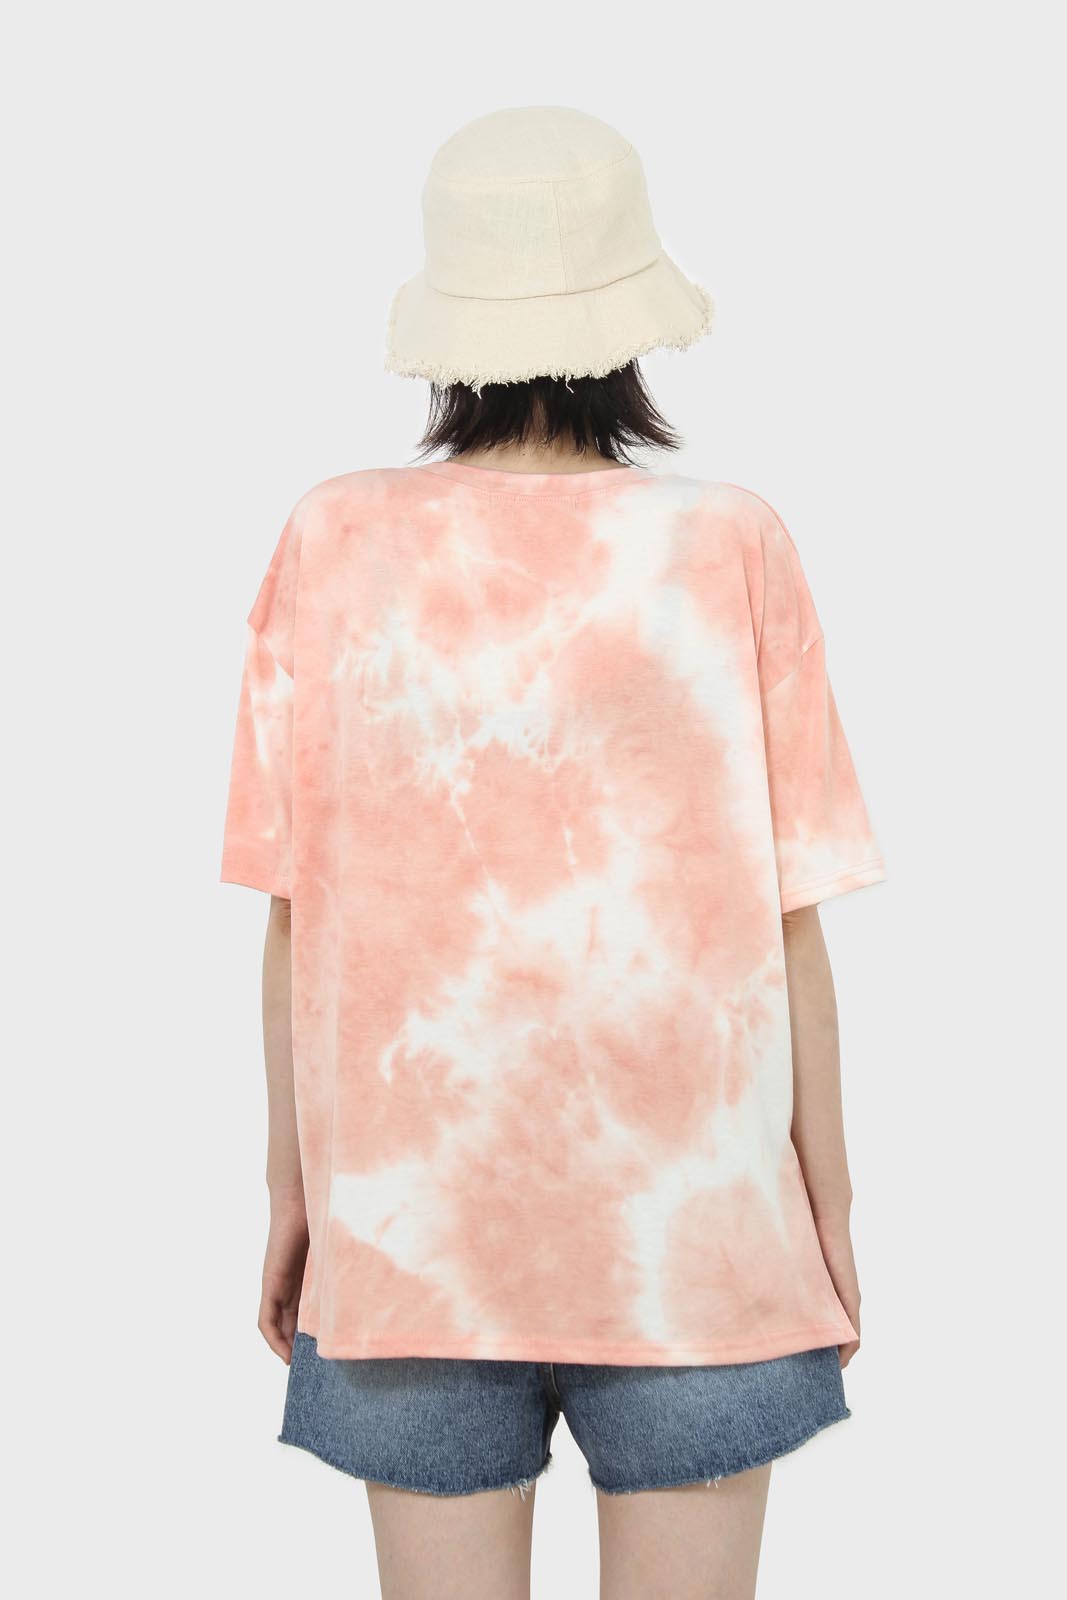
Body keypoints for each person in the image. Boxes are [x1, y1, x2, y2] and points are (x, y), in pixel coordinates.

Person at [220, 106, 886, 1600]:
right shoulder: (734, 542)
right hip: (699, 1239)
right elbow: (790, 927)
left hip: (410, 1239)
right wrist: (831, 1209)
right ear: (631, 316)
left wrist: (293, 1196)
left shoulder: (331, 540)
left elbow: (296, 921)